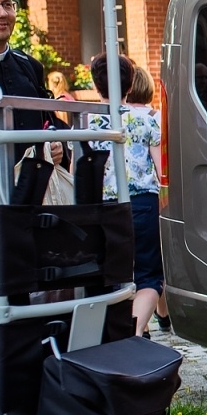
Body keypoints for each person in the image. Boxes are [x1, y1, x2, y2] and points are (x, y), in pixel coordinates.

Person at [88, 54, 164, 335]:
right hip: (143, 203)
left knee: (114, 276)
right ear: (131, 84)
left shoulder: (88, 121)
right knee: (149, 278)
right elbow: (161, 170)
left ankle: (122, 330)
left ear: (96, 85)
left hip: (104, 207)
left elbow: (79, 174)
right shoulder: (145, 121)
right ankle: (134, 331)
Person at [0, 0, 61, 163]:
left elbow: (50, 123)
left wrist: (58, 145)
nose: (2, 13)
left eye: (8, 5)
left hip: (33, 184)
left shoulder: (30, 66)